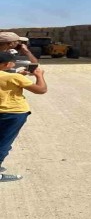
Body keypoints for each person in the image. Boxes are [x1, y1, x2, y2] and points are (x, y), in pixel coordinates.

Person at [0, 51, 47, 182]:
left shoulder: (13, 76)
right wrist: (39, 75)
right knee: (4, 143)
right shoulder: (14, 78)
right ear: (6, 64)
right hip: (13, 113)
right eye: (12, 62)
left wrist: (16, 75)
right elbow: (41, 90)